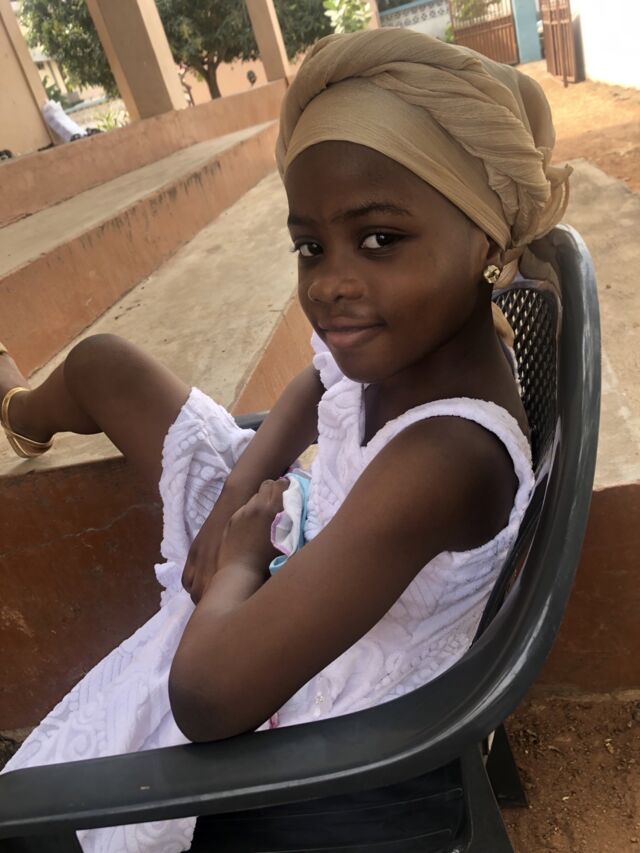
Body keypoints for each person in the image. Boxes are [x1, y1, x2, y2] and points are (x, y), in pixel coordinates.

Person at [0, 28, 570, 853]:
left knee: (33, 818)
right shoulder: (412, 337)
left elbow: (207, 696)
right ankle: (21, 412)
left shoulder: (444, 457)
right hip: (293, 531)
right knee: (104, 364)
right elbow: (317, 382)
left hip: (309, 695)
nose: (330, 283)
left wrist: (238, 559)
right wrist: (238, 492)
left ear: (483, 237)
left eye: (379, 239)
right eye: (311, 246)